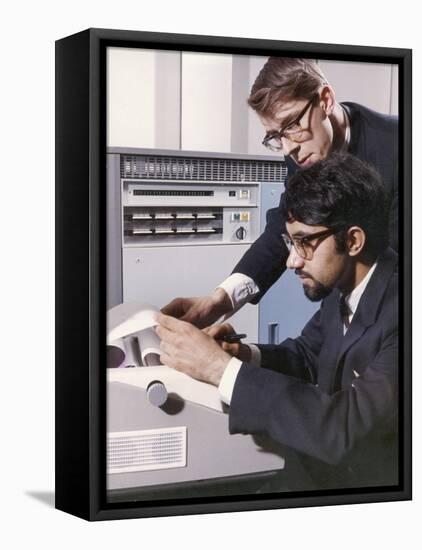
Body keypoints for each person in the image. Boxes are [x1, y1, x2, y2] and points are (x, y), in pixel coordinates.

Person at [156, 153, 398, 489]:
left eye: (304, 242)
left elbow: (345, 429)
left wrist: (219, 369)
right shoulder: (342, 286)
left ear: (353, 240)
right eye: (289, 241)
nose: (291, 261)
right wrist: (242, 355)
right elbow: (307, 356)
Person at [162, 57, 398, 329]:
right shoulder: (304, 150)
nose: (287, 149)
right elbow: (284, 227)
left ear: (325, 100)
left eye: (291, 126)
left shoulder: (399, 145)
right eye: (275, 136)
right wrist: (221, 300)